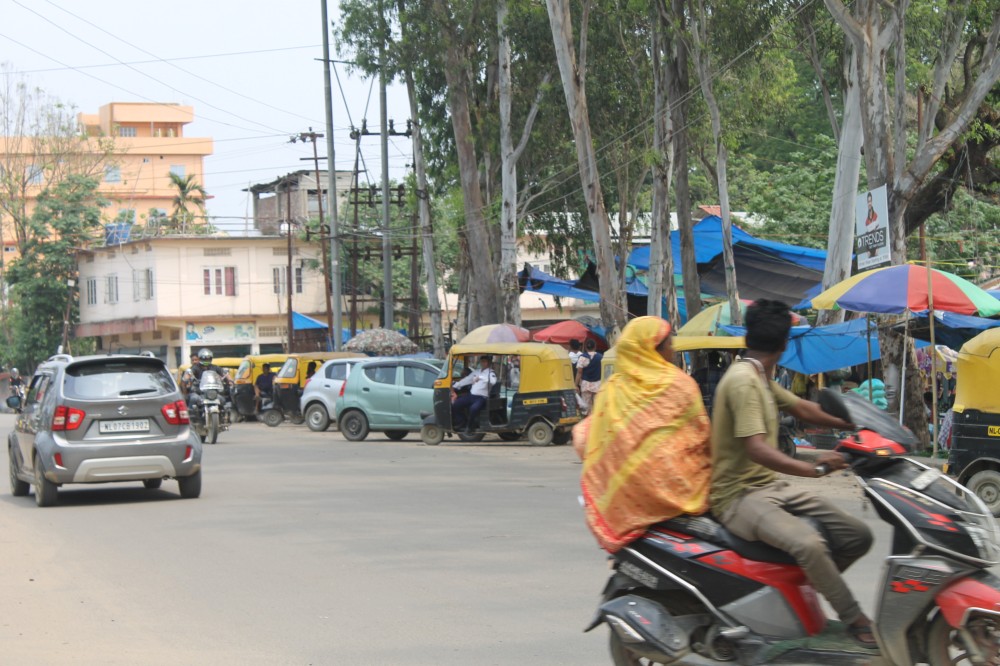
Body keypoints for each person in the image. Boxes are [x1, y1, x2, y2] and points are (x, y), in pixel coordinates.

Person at [710, 299, 877, 648]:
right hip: (738, 497)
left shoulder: (758, 374)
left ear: (746, 337)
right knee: (809, 545)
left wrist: (857, 422)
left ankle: (792, 599)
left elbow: (802, 407)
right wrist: (814, 469)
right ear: (786, 344)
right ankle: (854, 618)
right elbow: (757, 448)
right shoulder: (744, 381)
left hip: (770, 487)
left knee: (857, 535)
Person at [572, 316, 711, 552]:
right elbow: (702, 437)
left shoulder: (612, 389)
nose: (674, 350)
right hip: (680, 494)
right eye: (669, 344)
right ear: (652, 349)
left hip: (627, 501)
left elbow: (587, 439)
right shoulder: (680, 385)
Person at [451, 355, 496, 433]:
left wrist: (481, 378)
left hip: (482, 397)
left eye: (485, 361)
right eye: (482, 361)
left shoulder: (490, 373)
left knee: (473, 409)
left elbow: (493, 381)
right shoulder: (477, 371)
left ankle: (470, 426)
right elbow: (467, 380)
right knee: (457, 404)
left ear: (488, 363)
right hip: (471, 396)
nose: (483, 363)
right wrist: (455, 385)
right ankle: (461, 422)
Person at [575, 339, 603, 412]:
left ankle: (586, 421)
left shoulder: (582, 357)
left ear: (586, 347)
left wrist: (576, 385)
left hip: (585, 385)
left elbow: (579, 372)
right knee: (598, 407)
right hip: (597, 385)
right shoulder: (601, 357)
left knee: (586, 408)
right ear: (595, 347)